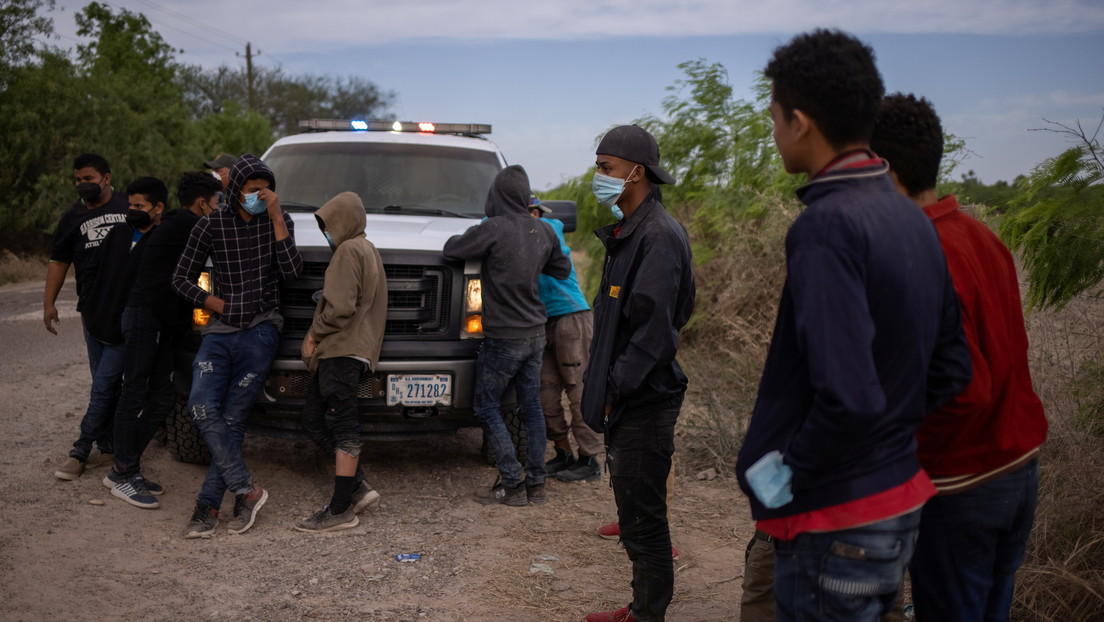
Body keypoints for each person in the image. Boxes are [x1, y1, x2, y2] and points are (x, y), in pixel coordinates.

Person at [733, 29, 972, 622]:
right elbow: (951, 369)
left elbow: (848, 396)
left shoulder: (825, 226)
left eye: (774, 118)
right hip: (897, 505)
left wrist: (785, 476)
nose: (774, 133)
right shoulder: (913, 220)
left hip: (834, 523)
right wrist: (886, 442)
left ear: (800, 122)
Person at [871, 93, 1048, 622]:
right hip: (1018, 469)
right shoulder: (981, 237)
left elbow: (963, 390)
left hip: (961, 484)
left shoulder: (917, 255)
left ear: (886, 173)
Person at [581, 124, 696, 622]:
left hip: (645, 399)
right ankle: (639, 606)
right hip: (631, 396)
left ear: (636, 173)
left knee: (645, 523)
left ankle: (648, 615)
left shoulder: (658, 236)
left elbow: (655, 334)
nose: (599, 177)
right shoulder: (630, 232)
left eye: (606, 168)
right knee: (633, 514)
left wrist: (613, 389)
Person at [172, 154, 302, 537]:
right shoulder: (211, 224)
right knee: (200, 405)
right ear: (236, 190)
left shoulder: (279, 220)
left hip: (262, 329)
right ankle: (246, 489)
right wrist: (215, 303)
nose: (261, 196)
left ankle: (207, 508)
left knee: (232, 418)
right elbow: (180, 278)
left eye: (267, 190)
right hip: (220, 330)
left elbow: (292, 271)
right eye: (253, 190)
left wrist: (276, 218)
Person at [443, 165, 571, 507]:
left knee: (486, 406)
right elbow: (562, 269)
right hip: (535, 334)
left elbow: (452, 249)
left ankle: (512, 483)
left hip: (504, 337)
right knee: (531, 408)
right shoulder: (543, 230)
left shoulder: (494, 228)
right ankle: (536, 484)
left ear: (496, 195)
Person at [104, 173, 221, 509]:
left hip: (161, 322)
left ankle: (125, 467)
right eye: (217, 203)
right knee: (134, 393)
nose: (219, 209)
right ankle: (123, 473)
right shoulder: (187, 222)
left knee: (163, 397)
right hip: (145, 317)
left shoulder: (180, 224)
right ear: (202, 204)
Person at [295, 191, 388, 532]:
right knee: (313, 419)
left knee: (342, 426)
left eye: (329, 224)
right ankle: (357, 487)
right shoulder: (368, 249)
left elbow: (339, 308)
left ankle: (340, 510)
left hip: (340, 350)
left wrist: (313, 335)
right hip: (353, 351)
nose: (327, 232)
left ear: (344, 220)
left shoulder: (347, 250)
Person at [48, 153, 130, 481]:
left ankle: (80, 451)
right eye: (78, 180)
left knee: (105, 383)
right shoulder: (72, 218)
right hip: (92, 313)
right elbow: (58, 261)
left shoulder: (130, 205)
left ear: (106, 179)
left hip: (126, 311)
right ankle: (109, 445)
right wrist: (49, 303)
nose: (82, 185)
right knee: (103, 381)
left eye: (89, 179)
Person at [527, 194, 604, 483]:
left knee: (578, 390)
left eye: (536, 212)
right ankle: (563, 453)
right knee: (544, 393)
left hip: (571, 318)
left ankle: (590, 459)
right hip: (542, 322)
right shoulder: (519, 233)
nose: (535, 216)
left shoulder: (550, 229)